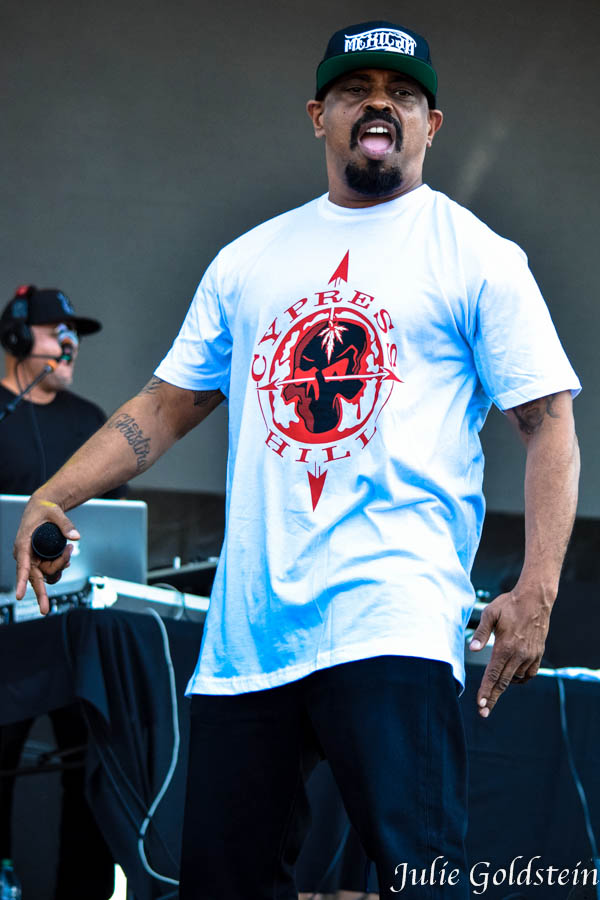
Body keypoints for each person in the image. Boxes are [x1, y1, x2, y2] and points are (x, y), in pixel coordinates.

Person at [13, 21, 580, 899]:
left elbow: (549, 423)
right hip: (250, 638)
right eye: (356, 89)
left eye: (404, 93)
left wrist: (537, 590)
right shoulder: (248, 261)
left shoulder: (477, 256)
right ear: (319, 115)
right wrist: (52, 494)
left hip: (393, 618)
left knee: (423, 879)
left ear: (434, 125)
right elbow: (165, 404)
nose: (380, 104)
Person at [0, 284, 116, 900]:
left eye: (75, 334)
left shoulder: (91, 422)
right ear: (17, 338)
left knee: (93, 766)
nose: (70, 342)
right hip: (6, 628)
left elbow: (120, 517)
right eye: (56, 331)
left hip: (75, 627)